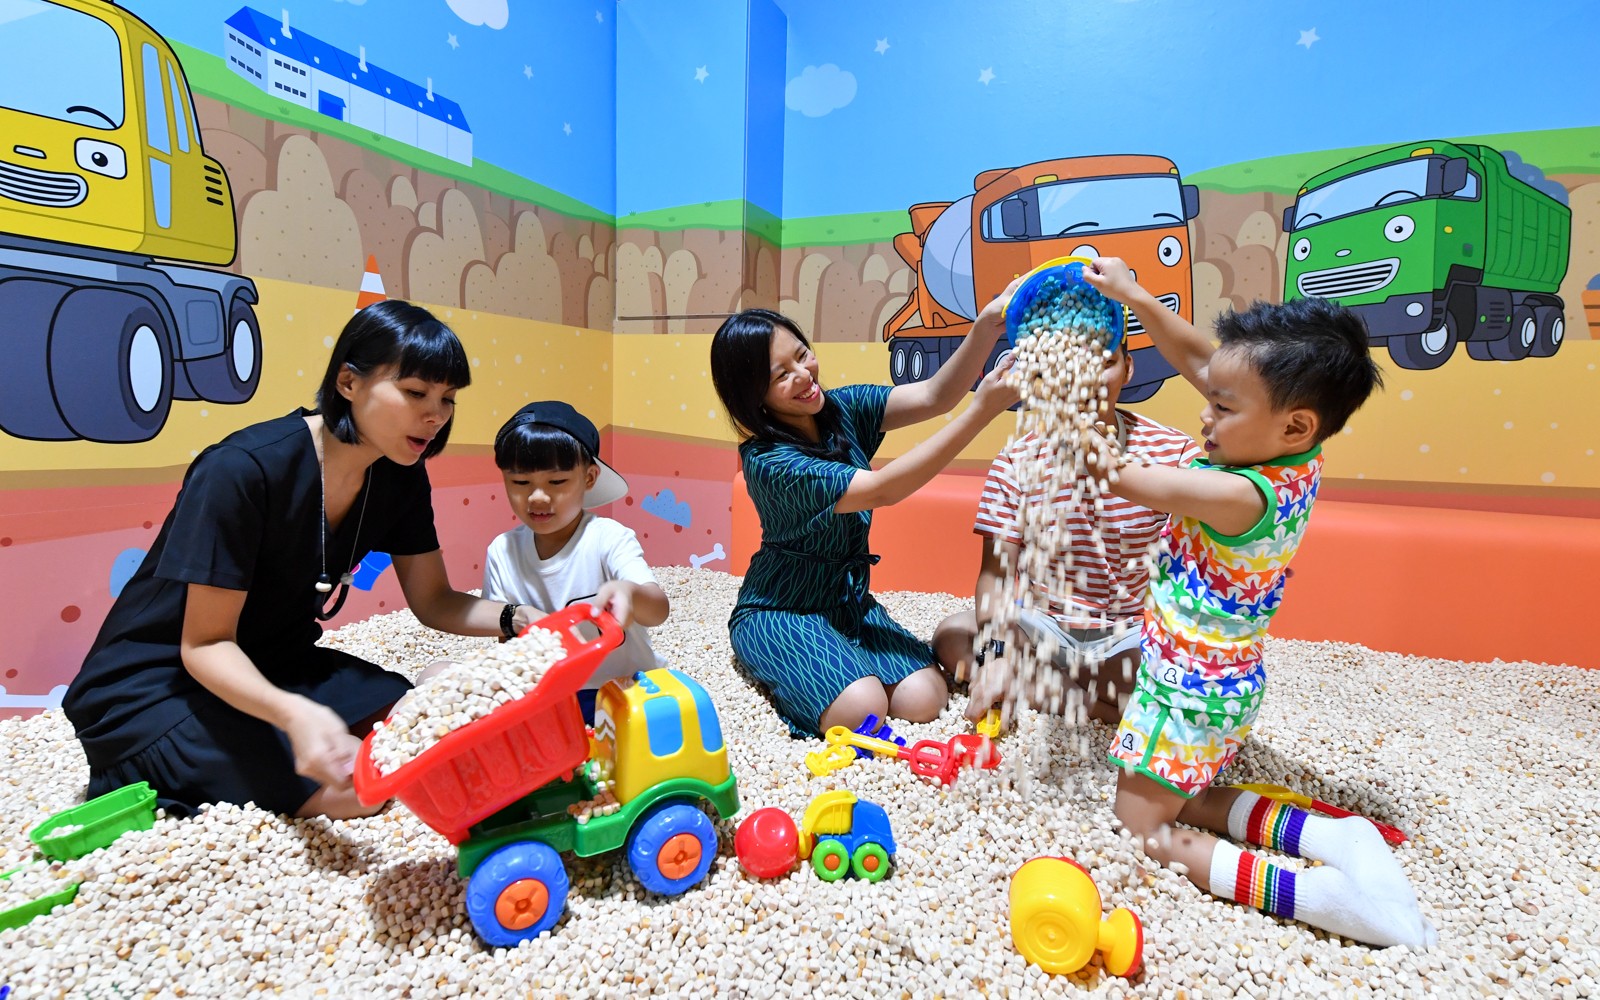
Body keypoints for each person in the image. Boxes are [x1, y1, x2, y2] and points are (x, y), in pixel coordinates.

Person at [63, 301, 540, 821]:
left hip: (277, 661)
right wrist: (294, 715)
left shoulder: (400, 473)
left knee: (426, 717)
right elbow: (204, 644)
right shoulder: (242, 469)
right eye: (415, 392)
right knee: (362, 787)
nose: (436, 415)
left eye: (447, 399)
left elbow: (433, 601)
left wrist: (517, 621)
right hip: (157, 686)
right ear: (348, 383)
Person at [1081, 257, 1434, 948]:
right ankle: (1332, 835)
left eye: (1221, 407)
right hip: (1214, 680)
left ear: (1295, 425)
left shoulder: (1242, 494)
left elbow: (1118, 476)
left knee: (1142, 827)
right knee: (1184, 794)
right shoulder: (1286, 450)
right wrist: (1132, 295)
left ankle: (1325, 898)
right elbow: (1201, 360)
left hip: (1190, 692)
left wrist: (1065, 408)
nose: (1204, 413)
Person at [710, 288, 1022, 738]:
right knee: (864, 711)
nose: (804, 375)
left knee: (926, 700)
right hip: (782, 608)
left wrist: (986, 327)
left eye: (803, 355)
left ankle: (841, 659)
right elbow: (881, 489)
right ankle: (779, 660)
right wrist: (982, 413)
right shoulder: (768, 461)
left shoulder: (840, 408)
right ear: (753, 396)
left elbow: (935, 395)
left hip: (847, 602)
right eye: (782, 374)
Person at [944, 339, 1200, 728]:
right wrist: (996, 654)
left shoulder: (1173, 451)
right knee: (952, 637)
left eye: (1106, 362)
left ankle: (1048, 691)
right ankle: (1094, 706)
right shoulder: (1018, 459)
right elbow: (997, 573)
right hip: (1041, 627)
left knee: (1180, 680)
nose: (1089, 377)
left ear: (1128, 368)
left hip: (1127, 633)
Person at [482, 401, 668, 723]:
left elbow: (658, 610)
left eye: (556, 482)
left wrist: (629, 593)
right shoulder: (502, 551)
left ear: (590, 478)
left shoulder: (607, 537)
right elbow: (504, 638)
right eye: (521, 483)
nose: (537, 497)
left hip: (626, 691)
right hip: (551, 696)